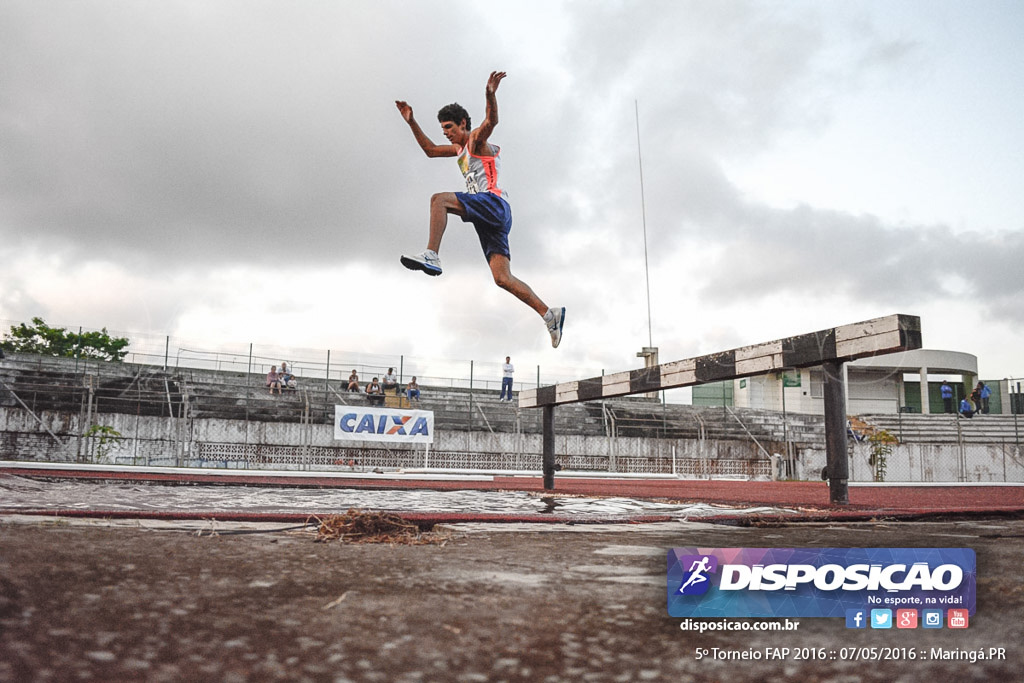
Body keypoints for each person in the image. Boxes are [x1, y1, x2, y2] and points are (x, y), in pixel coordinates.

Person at [395, 71, 566, 348]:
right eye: (443, 130)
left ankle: (432, 254)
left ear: (463, 124)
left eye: (450, 127)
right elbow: (428, 149)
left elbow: (491, 121)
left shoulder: (475, 140)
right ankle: (549, 314)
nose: (447, 134)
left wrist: (490, 95)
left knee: (439, 199)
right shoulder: (457, 150)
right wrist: (412, 121)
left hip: (493, 203)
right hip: (490, 216)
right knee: (502, 278)